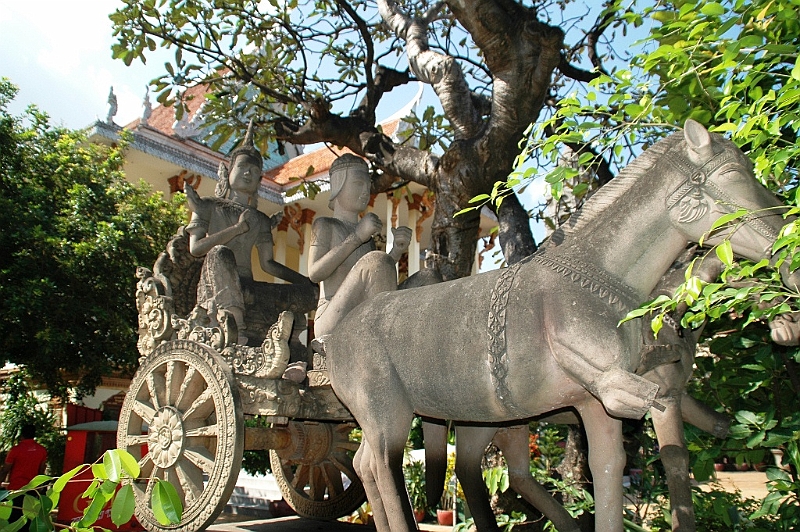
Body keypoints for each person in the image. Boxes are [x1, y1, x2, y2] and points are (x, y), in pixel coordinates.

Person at [184, 120, 314, 344]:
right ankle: (236, 327)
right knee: (220, 253)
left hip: (249, 286)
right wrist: (236, 230)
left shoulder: (261, 220)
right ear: (228, 171)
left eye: (254, 171)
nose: (248, 173)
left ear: (260, 181)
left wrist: (306, 282)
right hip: (215, 284)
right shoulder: (208, 205)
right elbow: (196, 249)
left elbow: (268, 265)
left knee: (308, 294)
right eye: (242, 167)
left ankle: (289, 337)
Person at [309, 154, 411, 338]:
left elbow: (377, 279)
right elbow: (315, 273)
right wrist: (357, 237)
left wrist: (396, 250)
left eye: (367, 185)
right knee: (375, 259)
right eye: (358, 183)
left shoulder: (367, 238)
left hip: (363, 310)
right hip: (331, 316)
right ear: (338, 185)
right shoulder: (325, 225)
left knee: (428, 278)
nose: (365, 191)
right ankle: (386, 339)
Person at [0, 424, 48, 528]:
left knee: (14, 517)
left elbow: (5, 470)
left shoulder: (15, 450)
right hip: (33, 488)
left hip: (16, 489)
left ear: (22, 435)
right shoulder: (42, 450)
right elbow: (41, 471)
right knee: (29, 515)